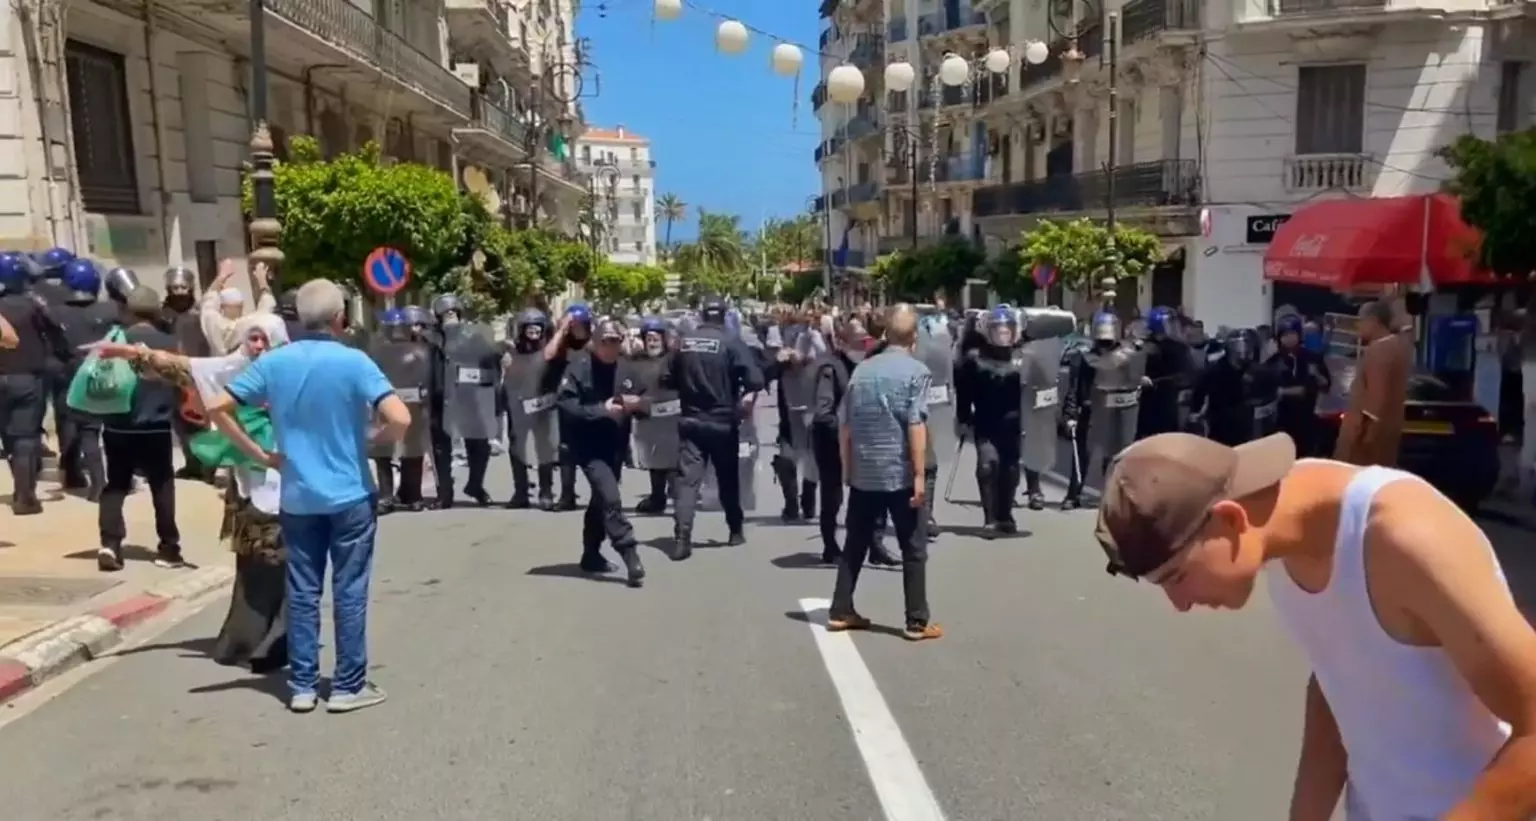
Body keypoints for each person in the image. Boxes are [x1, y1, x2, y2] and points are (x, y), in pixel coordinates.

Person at [1094, 431, 1536, 819]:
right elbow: (1339, 676)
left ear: (1231, 520)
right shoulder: (1284, 533)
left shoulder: (1404, 538)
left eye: (1177, 577)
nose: (1180, 604)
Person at [207, 278, 410, 714]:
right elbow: (401, 417)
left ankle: (301, 686)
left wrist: (260, 454)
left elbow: (217, 407)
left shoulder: (274, 365)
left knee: (301, 591)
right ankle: (347, 686)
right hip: (350, 494)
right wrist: (374, 437)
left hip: (297, 497)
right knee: (349, 590)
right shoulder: (354, 362)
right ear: (341, 318)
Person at [93, 313, 293, 672]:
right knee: (253, 555)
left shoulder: (295, 370)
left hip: (288, 469)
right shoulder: (233, 367)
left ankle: (280, 640)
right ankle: (246, 639)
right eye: (253, 338)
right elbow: (181, 367)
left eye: (265, 338)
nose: (258, 346)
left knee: (282, 556)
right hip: (249, 473)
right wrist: (128, 352)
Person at [826, 304, 941, 641]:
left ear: (885, 334)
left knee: (855, 543)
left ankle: (840, 609)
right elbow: (916, 424)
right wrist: (920, 475)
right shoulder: (916, 372)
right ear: (914, 338)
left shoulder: (862, 371)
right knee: (913, 546)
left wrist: (848, 468)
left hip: (864, 471)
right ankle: (916, 620)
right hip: (900, 472)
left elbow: (844, 425)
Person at [664, 295, 764, 560]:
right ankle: (735, 530)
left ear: (701, 315)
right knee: (727, 479)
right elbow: (755, 377)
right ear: (724, 314)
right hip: (722, 422)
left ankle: (682, 538)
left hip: (691, 420)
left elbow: (666, 378)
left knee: (687, 483)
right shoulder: (731, 342)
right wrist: (744, 394)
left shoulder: (685, 343)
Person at [96, 287, 184, 571]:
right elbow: (182, 383)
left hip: (118, 426)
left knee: (116, 484)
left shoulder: (115, 341)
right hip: (155, 427)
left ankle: (110, 543)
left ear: (129, 310)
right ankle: (168, 547)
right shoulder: (170, 343)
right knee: (162, 485)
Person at [557, 318, 645, 586]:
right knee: (611, 498)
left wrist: (637, 404)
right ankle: (630, 554)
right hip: (586, 445)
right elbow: (565, 404)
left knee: (600, 500)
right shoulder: (578, 366)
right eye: (604, 342)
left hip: (615, 445)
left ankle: (591, 553)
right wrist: (600, 410)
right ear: (595, 343)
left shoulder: (627, 368)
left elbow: (648, 398)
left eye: (615, 342)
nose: (609, 347)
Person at [0, 252, 70, 514]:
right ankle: (25, 495)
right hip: (29, 378)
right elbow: (56, 333)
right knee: (26, 436)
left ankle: (21, 488)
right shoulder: (33, 305)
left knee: (8, 435)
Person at [1060, 311, 1144, 510]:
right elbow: (1075, 387)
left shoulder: (1129, 353)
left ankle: (1111, 495)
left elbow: (1134, 380)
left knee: (1114, 455)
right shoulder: (1083, 356)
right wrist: (1071, 414)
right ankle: (1073, 493)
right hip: (1091, 408)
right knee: (1083, 453)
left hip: (1117, 408)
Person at [955, 306, 1024, 536]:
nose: (1003, 334)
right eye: (998, 330)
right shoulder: (975, 359)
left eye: (1007, 330)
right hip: (985, 420)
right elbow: (964, 390)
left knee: (1011, 470)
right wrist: (963, 417)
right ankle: (990, 517)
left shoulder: (1022, 358)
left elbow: (1035, 388)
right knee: (987, 466)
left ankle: (1005, 514)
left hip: (1014, 423)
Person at [53, 259, 117, 498]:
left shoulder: (56, 312)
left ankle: (90, 479)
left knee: (82, 429)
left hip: (72, 376)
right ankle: (112, 480)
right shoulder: (110, 311)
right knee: (107, 429)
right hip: (107, 375)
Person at [369, 307, 433, 513]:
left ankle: (402, 495)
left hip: (398, 405)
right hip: (394, 405)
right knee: (393, 451)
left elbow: (428, 379)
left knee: (403, 451)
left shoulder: (419, 350)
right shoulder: (378, 350)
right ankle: (399, 496)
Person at [1333, 300, 1411, 468]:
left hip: (1365, 439)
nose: (1358, 326)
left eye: (1360, 321)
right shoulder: (1398, 346)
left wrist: (1366, 436)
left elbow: (1376, 399)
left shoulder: (1379, 350)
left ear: (1373, 321)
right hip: (1388, 432)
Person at [503, 308, 560, 509]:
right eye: (529, 327)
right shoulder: (512, 352)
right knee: (517, 448)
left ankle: (546, 491)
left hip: (543, 405)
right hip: (518, 407)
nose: (533, 331)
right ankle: (520, 492)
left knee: (544, 448)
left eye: (537, 327)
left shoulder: (550, 351)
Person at [628, 316, 680, 514]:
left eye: (656, 337)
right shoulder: (636, 361)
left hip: (674, 417)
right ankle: (657, 497)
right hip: (648, 417)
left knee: (674, 461)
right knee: (654, 460)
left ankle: (678, 498)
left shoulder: (676, 359)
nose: (653, 341)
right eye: (649, 338)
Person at [1270, 314, 1332, 456]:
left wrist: (1316, 375)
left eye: (1292, 334)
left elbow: (1326, 385)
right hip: (1282, 420)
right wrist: (1286, 392)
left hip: (1307, 419)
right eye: (1285, 335)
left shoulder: (1312, 358)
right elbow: (1267, 391)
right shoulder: (1273, 362)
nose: (1289, 338)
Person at [1136, 305, 1194, 439]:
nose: (1173, 327)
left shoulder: (1179, 347)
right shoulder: (1145, 347)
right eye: (1169, 323)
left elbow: (1188, 373)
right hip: (1150, 401)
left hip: (1171, 399)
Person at [200, 258, 276, 355]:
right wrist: (262, 280)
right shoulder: (252, 323)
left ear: (221, 307)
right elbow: (268, 307)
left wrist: (221, 277)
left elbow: (207, 305)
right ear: (242, 306)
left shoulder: (216, 327)